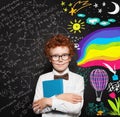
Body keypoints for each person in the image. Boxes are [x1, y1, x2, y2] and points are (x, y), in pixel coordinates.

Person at [32, 34, 84, 117]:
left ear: (70, 57)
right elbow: (37, 109)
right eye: (55, 56)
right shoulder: (43, 78)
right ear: (50, 59)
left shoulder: (78, 79)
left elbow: (76, 110)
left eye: (64, 55)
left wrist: (48, 101)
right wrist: (62, 97)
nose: (60, 60)